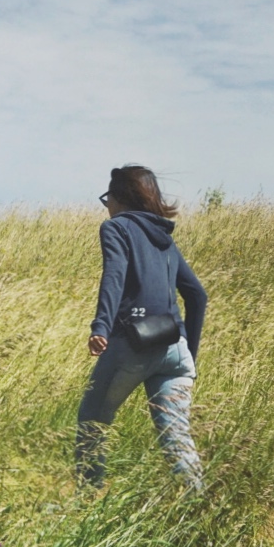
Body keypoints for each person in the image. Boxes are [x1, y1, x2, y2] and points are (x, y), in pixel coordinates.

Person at [76, 165, 209, 492]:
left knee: (92, 420)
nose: (106, 205)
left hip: (131, 345)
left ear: (121, 197)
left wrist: (101, 327)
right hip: (174, 348)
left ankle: (86, 505)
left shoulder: (116, 228)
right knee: (176, 439)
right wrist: (187, 356)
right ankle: (200, 508)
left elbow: (114, 276)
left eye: (108, 197)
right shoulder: (164, 238)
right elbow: (197, 295)